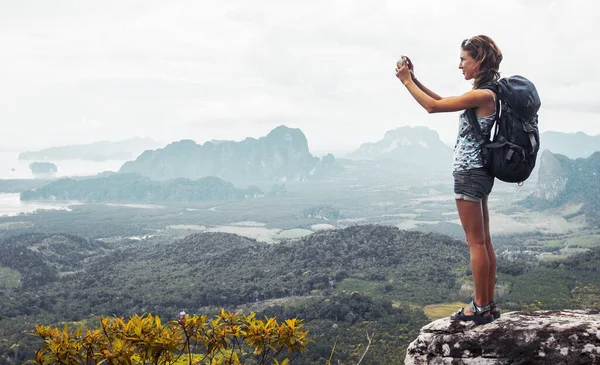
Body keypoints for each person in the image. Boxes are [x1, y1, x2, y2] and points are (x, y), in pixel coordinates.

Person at [395, 35, 503, 324]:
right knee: (484, 241)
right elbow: (441, 100)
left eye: (463, 59)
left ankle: (480, 306)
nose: (460, 66)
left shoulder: (483, 95)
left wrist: (406, 82)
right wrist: (414, 79)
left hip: (470, 171)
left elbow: (432, 107)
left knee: (476, 243)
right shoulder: (489, 93)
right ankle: (488, 304)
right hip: (481, 172)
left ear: (478, 59)